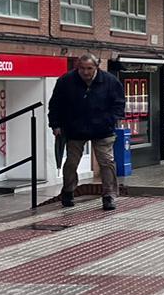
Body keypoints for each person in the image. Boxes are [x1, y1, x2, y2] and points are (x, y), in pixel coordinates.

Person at [48, 54, 125, 211]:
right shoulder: (66, 81)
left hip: (103, 130)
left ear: (97, 67)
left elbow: (119, 104)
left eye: (89, 68)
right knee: (71, 163)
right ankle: (68, 191)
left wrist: (110, 120)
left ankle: (109, 195)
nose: (85, 72)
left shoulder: (110, 81)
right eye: (82, 68)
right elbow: (55, 104)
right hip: (75, 129)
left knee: (106, 162)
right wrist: (55, 125)